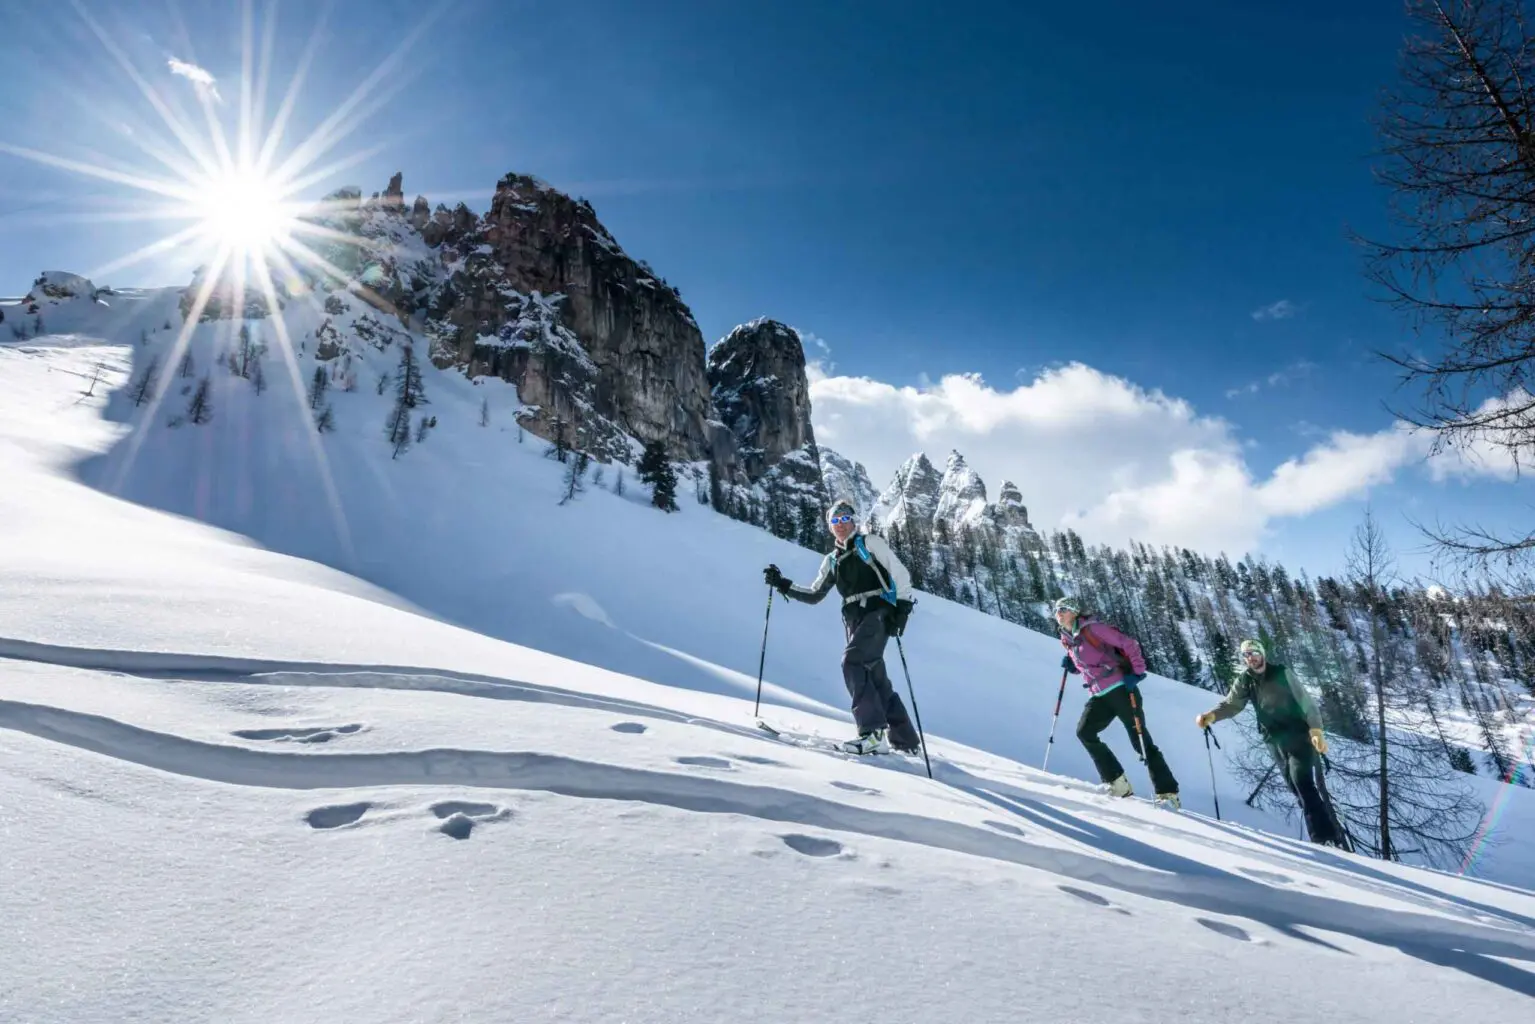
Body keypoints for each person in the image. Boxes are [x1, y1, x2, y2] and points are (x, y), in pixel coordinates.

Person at [762, 498, 920, 755]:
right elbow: (815, 594)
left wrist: (902, 609)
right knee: (875, 676)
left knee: (852, 663)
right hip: (853, 620)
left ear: (853, 521)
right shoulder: (832, 560)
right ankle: (906, 741)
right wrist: (782, 584)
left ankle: (872, 735)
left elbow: (900, 574)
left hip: (877, 612)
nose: (840, 525)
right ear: (829, 526)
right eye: (834, 521)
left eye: (845, 519)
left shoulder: (869, 543)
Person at [1195, 639, 1343, 846]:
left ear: (1262, 653)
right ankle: (1330, 836)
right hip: (1274, 741)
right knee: (1294, 787)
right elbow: (1232, 704)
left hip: (1299, 735)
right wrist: (1211, 716)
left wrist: (1316, 730)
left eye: (1254, 653)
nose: (1251, 658)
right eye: (1246, 655)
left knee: (1303, 784)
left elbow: (1306, 702)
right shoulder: (1245, 680)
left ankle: (1323, 838)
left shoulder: (1282, 673)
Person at [1056, 596, 1181, 807]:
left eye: (1063, 608)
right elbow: (1091, 664)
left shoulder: (1093, 628)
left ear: (1075, 611)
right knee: (1085, 732)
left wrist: (1138, 672)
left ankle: (1167, 792)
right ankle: (1117, 782)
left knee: (1140, 740)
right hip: (1099, 695)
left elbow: (1128, 643)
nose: (1059, 613)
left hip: (1122, 689)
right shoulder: (1069, 639)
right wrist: (1073, 667)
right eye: (1056, 610)